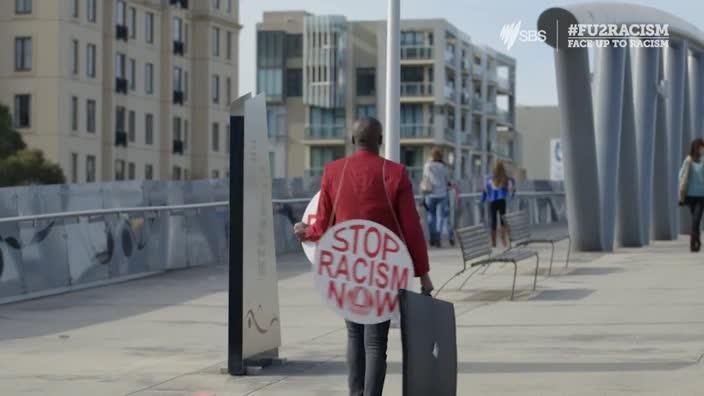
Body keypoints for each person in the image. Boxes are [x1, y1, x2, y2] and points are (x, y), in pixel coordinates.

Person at [293, 117, 433, 396]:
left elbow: (323, 224)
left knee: (354, 335)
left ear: (353, 140)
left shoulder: (334, 172)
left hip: (345, 268)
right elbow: (411, 228)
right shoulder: (395, 173)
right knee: (376, 343)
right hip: (383, 268)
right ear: (380, 141)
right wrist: (423, 273)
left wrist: (305, 231)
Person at [422, 148, 453, 247]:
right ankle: (438, 238)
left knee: (431, 217)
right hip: (442, 194)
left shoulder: (428, 165)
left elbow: (425, 177)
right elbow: (447, 180)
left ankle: (432, 238)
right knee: (440, 217)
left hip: (430, 194)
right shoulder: (444, 166)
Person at [678, 138, 704, 252]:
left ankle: (693, 242)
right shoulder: (688, 160)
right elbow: (681, 174)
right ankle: (696, 239)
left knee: (696, 218)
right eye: (700, 147)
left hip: (702, 195)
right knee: (695, 218)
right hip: (690, 195)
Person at [482, 160, 516, 247]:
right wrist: (512, 195)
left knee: (493, 221)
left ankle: (493, 242)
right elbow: (511, 189)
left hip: (492, 201)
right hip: (502, 201)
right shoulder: (506, 179)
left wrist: (483, 199)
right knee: (503, 221)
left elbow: (485, 190)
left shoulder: (490, 179)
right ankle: (503, 240)